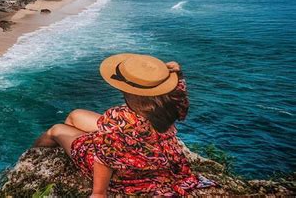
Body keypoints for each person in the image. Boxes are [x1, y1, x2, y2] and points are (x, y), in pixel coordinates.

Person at [34, 53, 211, 196]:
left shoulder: (118, 117)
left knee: (56, 130)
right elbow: (179, 90)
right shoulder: (172, 102)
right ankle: (65, 145)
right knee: (75, 115)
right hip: (158, 156)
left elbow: (104, 159)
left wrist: (99, 193)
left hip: (128, 173)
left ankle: (33, 154)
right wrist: (176, 74)